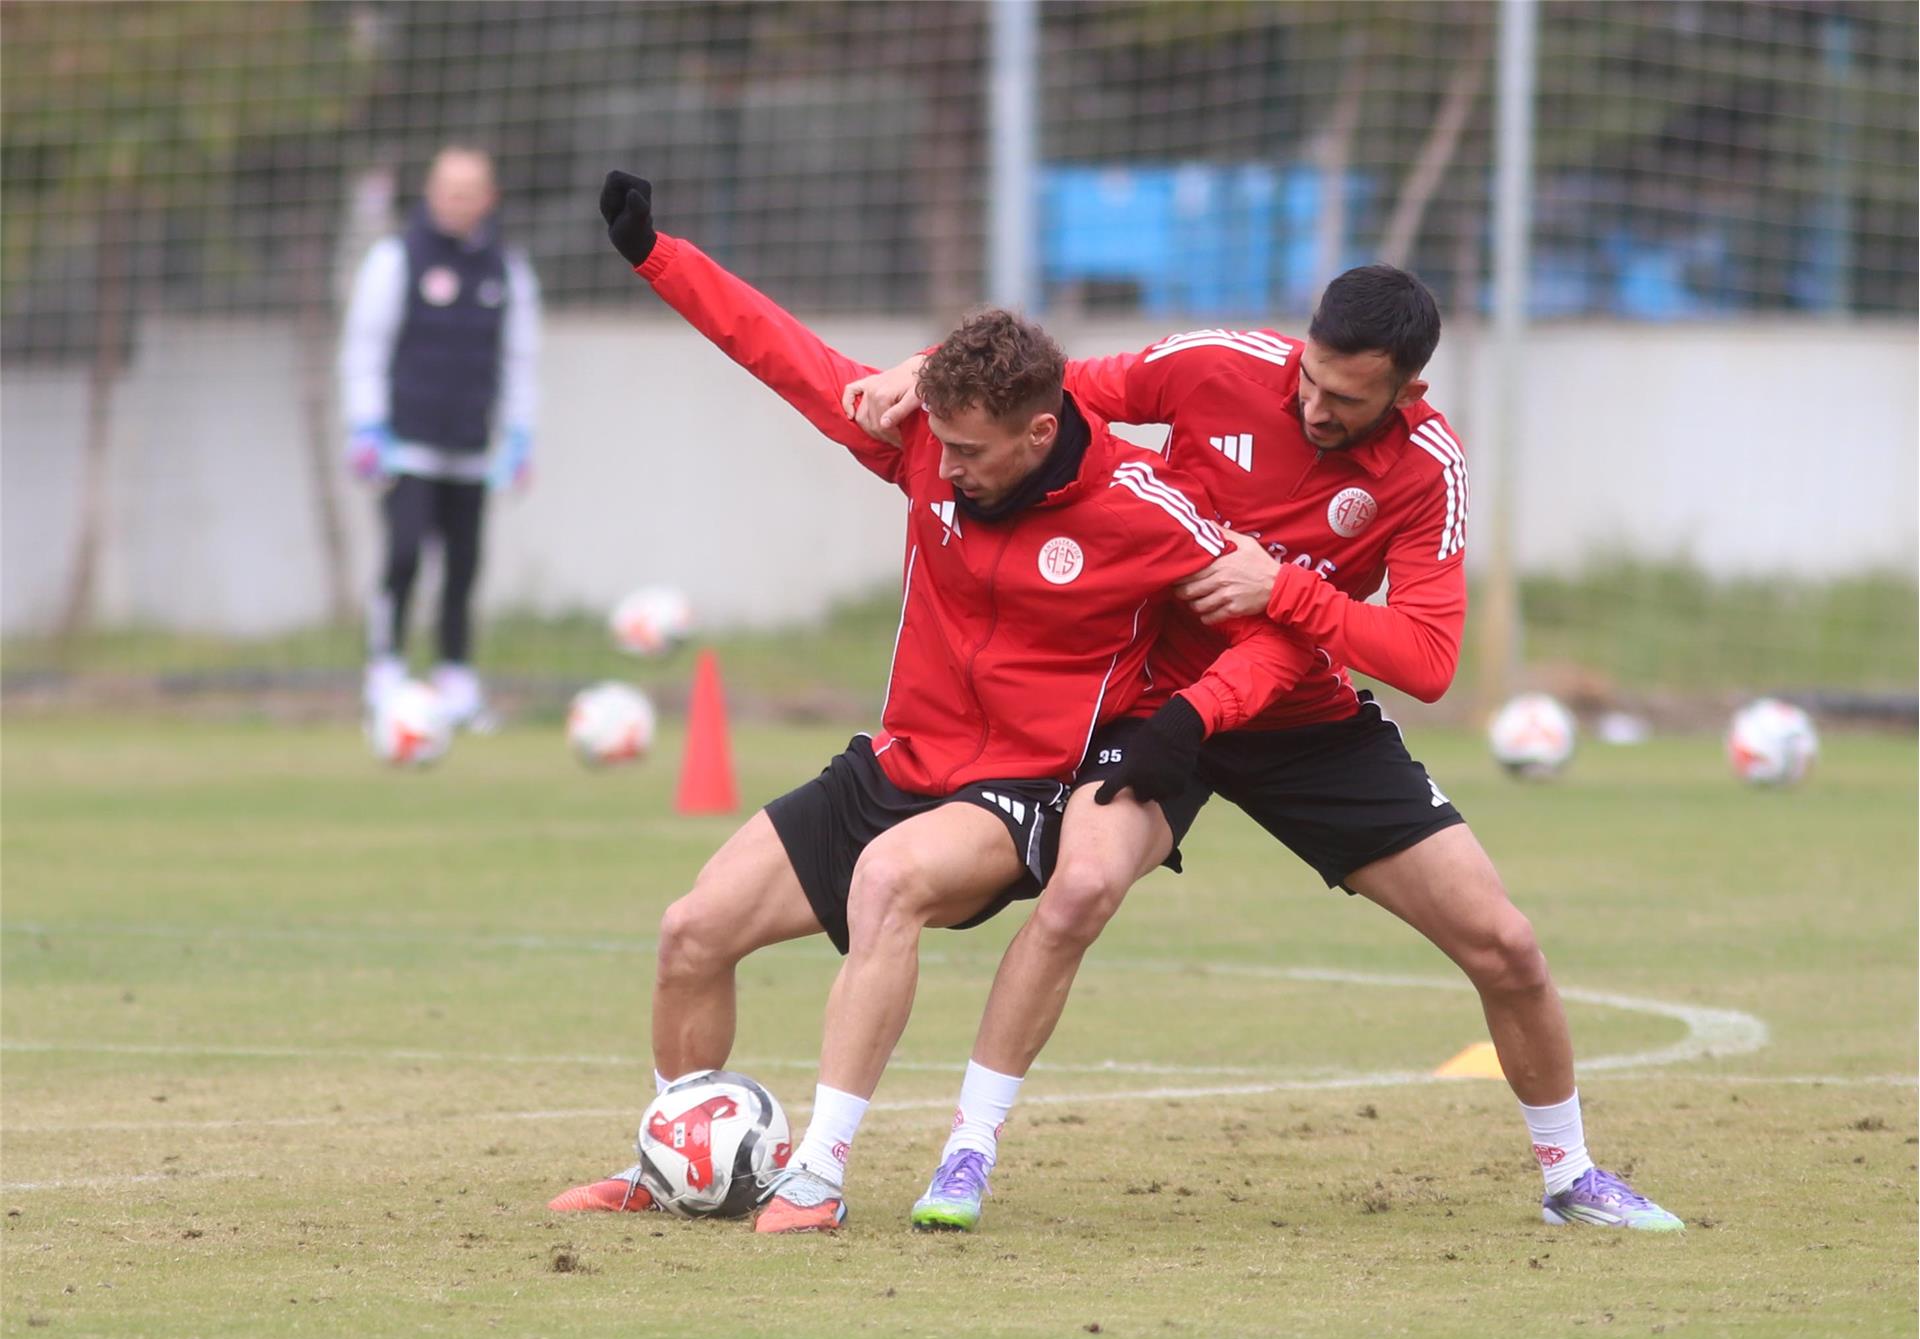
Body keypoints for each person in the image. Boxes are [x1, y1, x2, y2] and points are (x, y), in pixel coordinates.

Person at [548, 172, 1323, 1234]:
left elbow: (1278, 631)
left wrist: (1191, 722)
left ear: (1041, 432)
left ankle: (818, 1173)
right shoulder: (926, 443)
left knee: (889, 880)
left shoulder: (1147, 511)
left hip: (1023, 788)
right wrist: (656, 256)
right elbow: (783, 355)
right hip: (901, 759)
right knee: (692, 931)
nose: (943, 467)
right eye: (938, 444)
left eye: (968, 451)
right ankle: (672, 1160)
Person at [848, 270, 1684, 1235]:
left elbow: (1428, 659)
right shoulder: (1218, 366)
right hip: (1157, 706)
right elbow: (1052, 389)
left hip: (1304, 719)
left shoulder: (1429, 467)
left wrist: (1280, 587)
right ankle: (967, 1152)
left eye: (1348, 399)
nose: (1317, 407)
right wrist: (926, 367)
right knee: (1078, 892)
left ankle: (1571, 1174)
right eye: (1310, 380)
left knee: (1508, 946)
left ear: (1408, 390)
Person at [339, 144, 540, 728]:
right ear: (431, 193)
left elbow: (520, 360)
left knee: (463, 567)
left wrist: (520, 436)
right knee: (403, 556)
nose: (457, 201)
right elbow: (365, 347)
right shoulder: (395, 259)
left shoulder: (507, 270)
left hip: (471, 449)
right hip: (407, 445)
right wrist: (366, 425)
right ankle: (385, 673)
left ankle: (456, 681)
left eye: (468, 191)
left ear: (489, 198)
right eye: (448, 190)